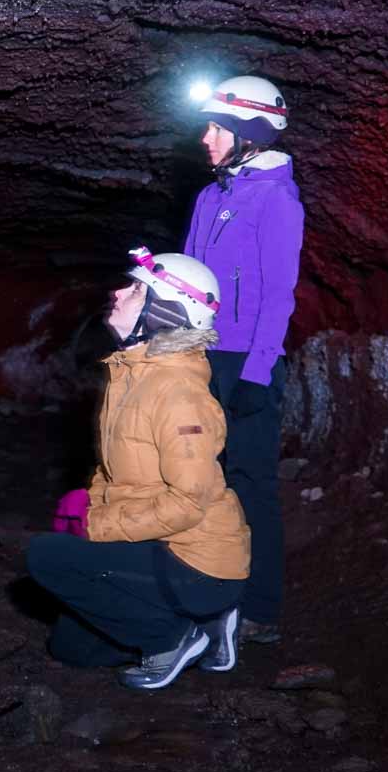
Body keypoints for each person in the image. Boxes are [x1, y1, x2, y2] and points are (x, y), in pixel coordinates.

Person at [29, 247, 250, 690]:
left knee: (45, 555)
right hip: (158, 545)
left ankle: (173, 636)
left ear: (164, 312)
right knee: (70, 649)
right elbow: (115, 469)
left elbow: (187, 503)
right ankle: (204, 624)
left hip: (197, 560)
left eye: (135, 289)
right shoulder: (132, 372)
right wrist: (90, 500)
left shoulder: (179, 393)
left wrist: (96, 525)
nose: (118, 292)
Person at [183, 75, 303, 645]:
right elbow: (189, 281)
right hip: (202, 356)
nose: (206, 139)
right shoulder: (211, 196)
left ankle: (261, 607)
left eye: (217, 128)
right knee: (194, 476)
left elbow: (279, 295)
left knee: (251, 483)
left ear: (250, 132)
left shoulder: (276, 199)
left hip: (246, 362)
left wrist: (257, 373)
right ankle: (203, 591)